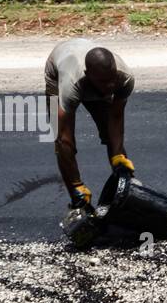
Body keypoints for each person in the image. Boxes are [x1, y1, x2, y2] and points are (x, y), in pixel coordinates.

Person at [45, 40, 136, 208]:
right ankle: (78, 199)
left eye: (112, 79)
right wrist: (76, 186)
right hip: (57, 72)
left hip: (89, 76)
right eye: (104, 81)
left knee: (112, 137)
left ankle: (126, 195)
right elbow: (64, 137)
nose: (110, 86)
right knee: (62, 141)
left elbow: (116, 117)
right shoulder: (72, 84)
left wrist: (118, 156)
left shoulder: (124, 79)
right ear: (88, 74)